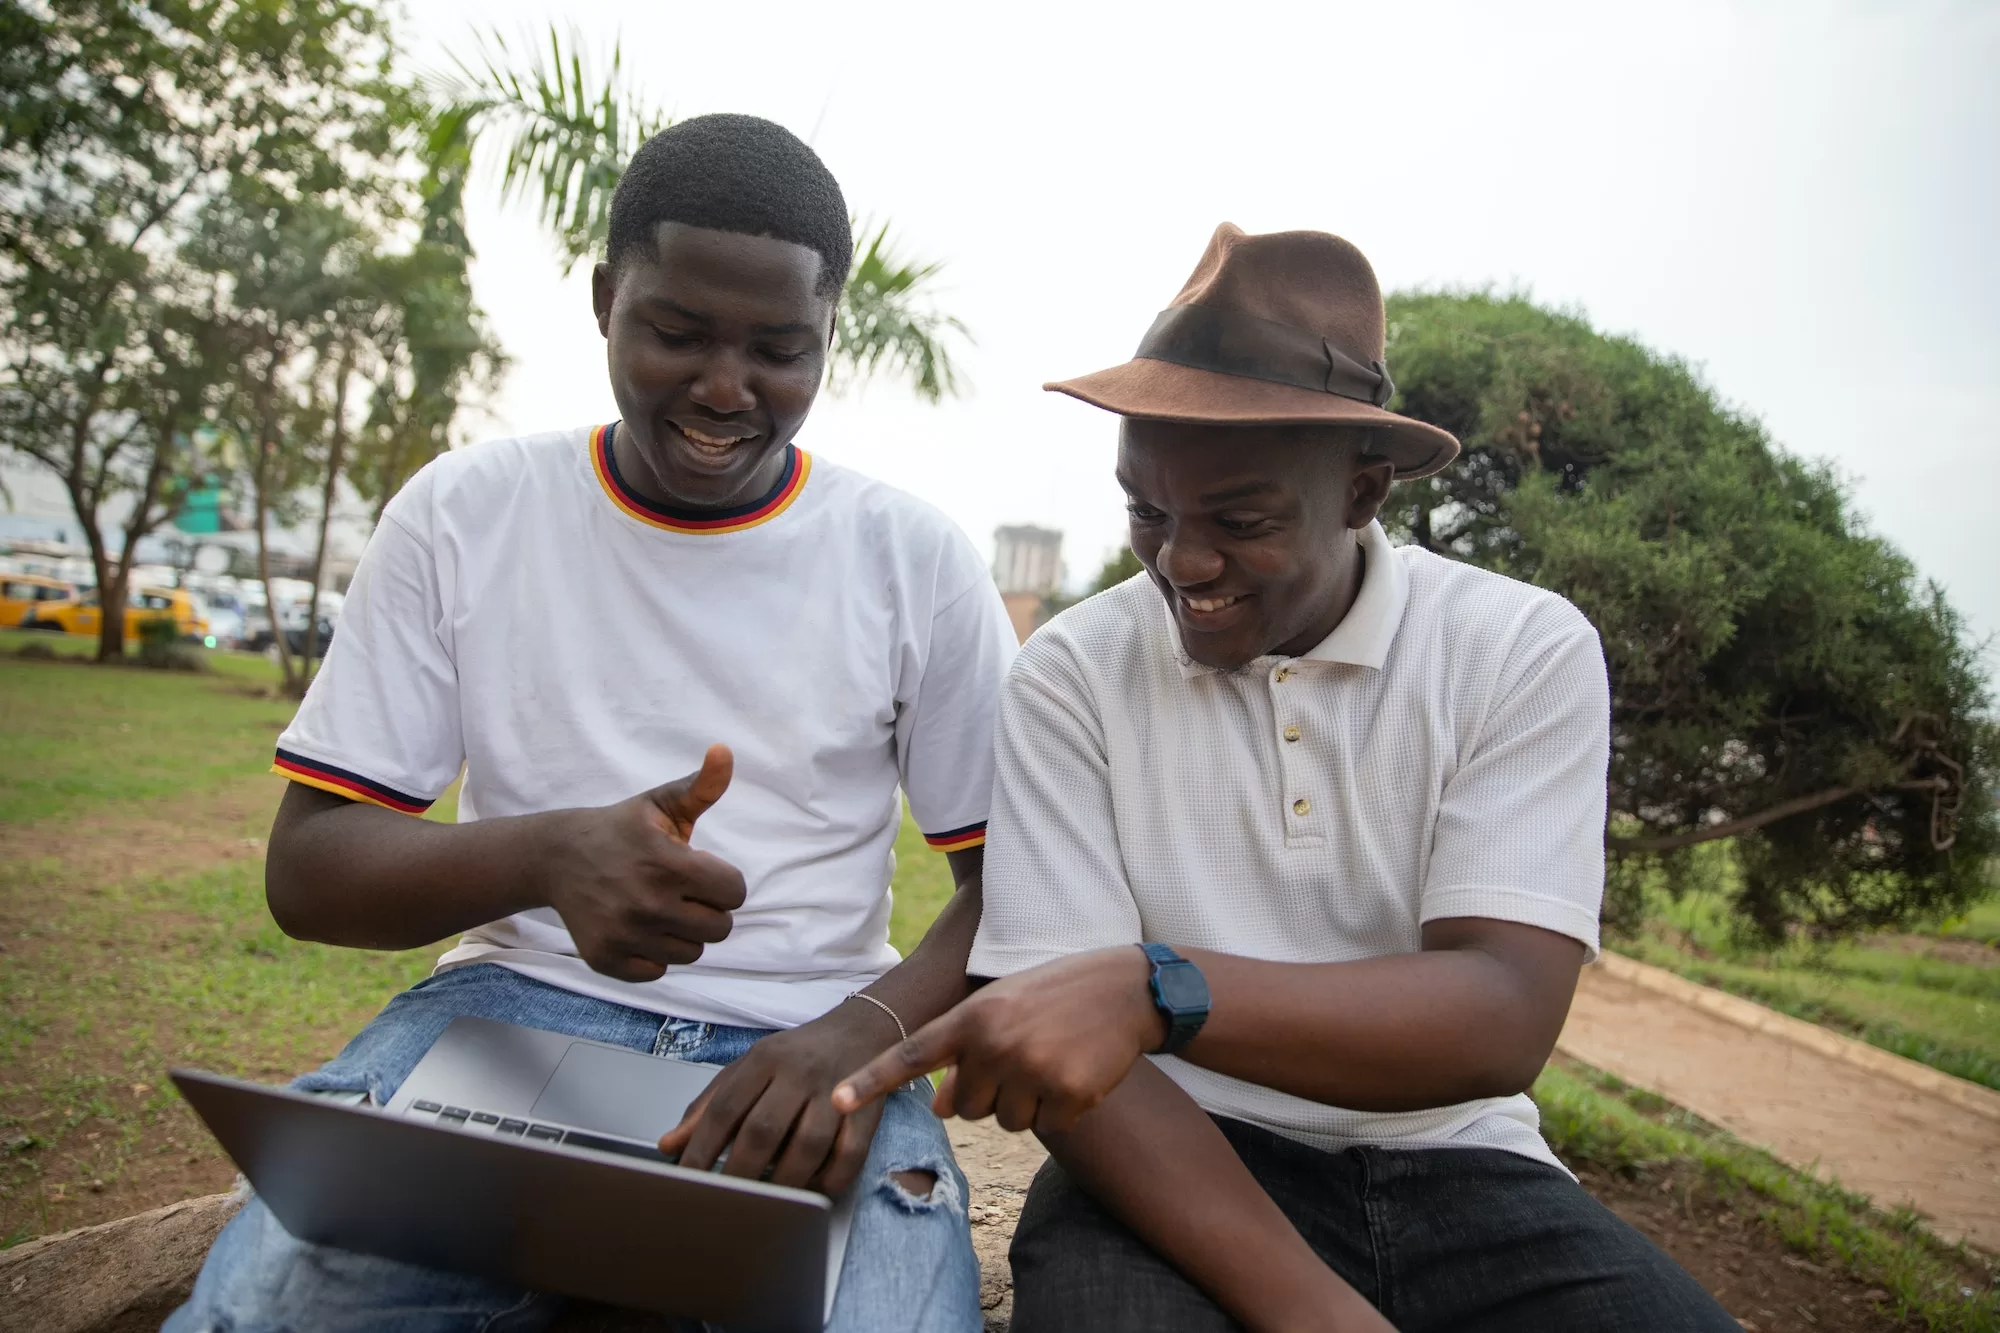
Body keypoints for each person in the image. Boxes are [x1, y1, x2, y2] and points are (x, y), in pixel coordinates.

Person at [168, 114, 1013, 1333]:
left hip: (803, 1052)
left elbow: (1013, 887)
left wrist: (852, 1044)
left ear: (831, 334)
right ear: (606, 295)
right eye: (676, 332)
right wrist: (545, 854)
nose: (726, 389)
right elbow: (309, 873)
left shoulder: (913, 558)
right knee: (271, 1310)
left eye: (780, 349)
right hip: (511, 1020)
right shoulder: (465, 511)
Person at [835, 224, 1738, 1331]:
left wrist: (1154, 987)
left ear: (1361, 491)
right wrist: (1317, 1309)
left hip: (1459, 1164)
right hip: (1165, 1168)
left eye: (1238, 521)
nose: (1179, 561)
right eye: (1145, 511)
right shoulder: (1071, 675)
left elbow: (1499, 1013)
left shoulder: (1517, 649)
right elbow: (1084, 1080)